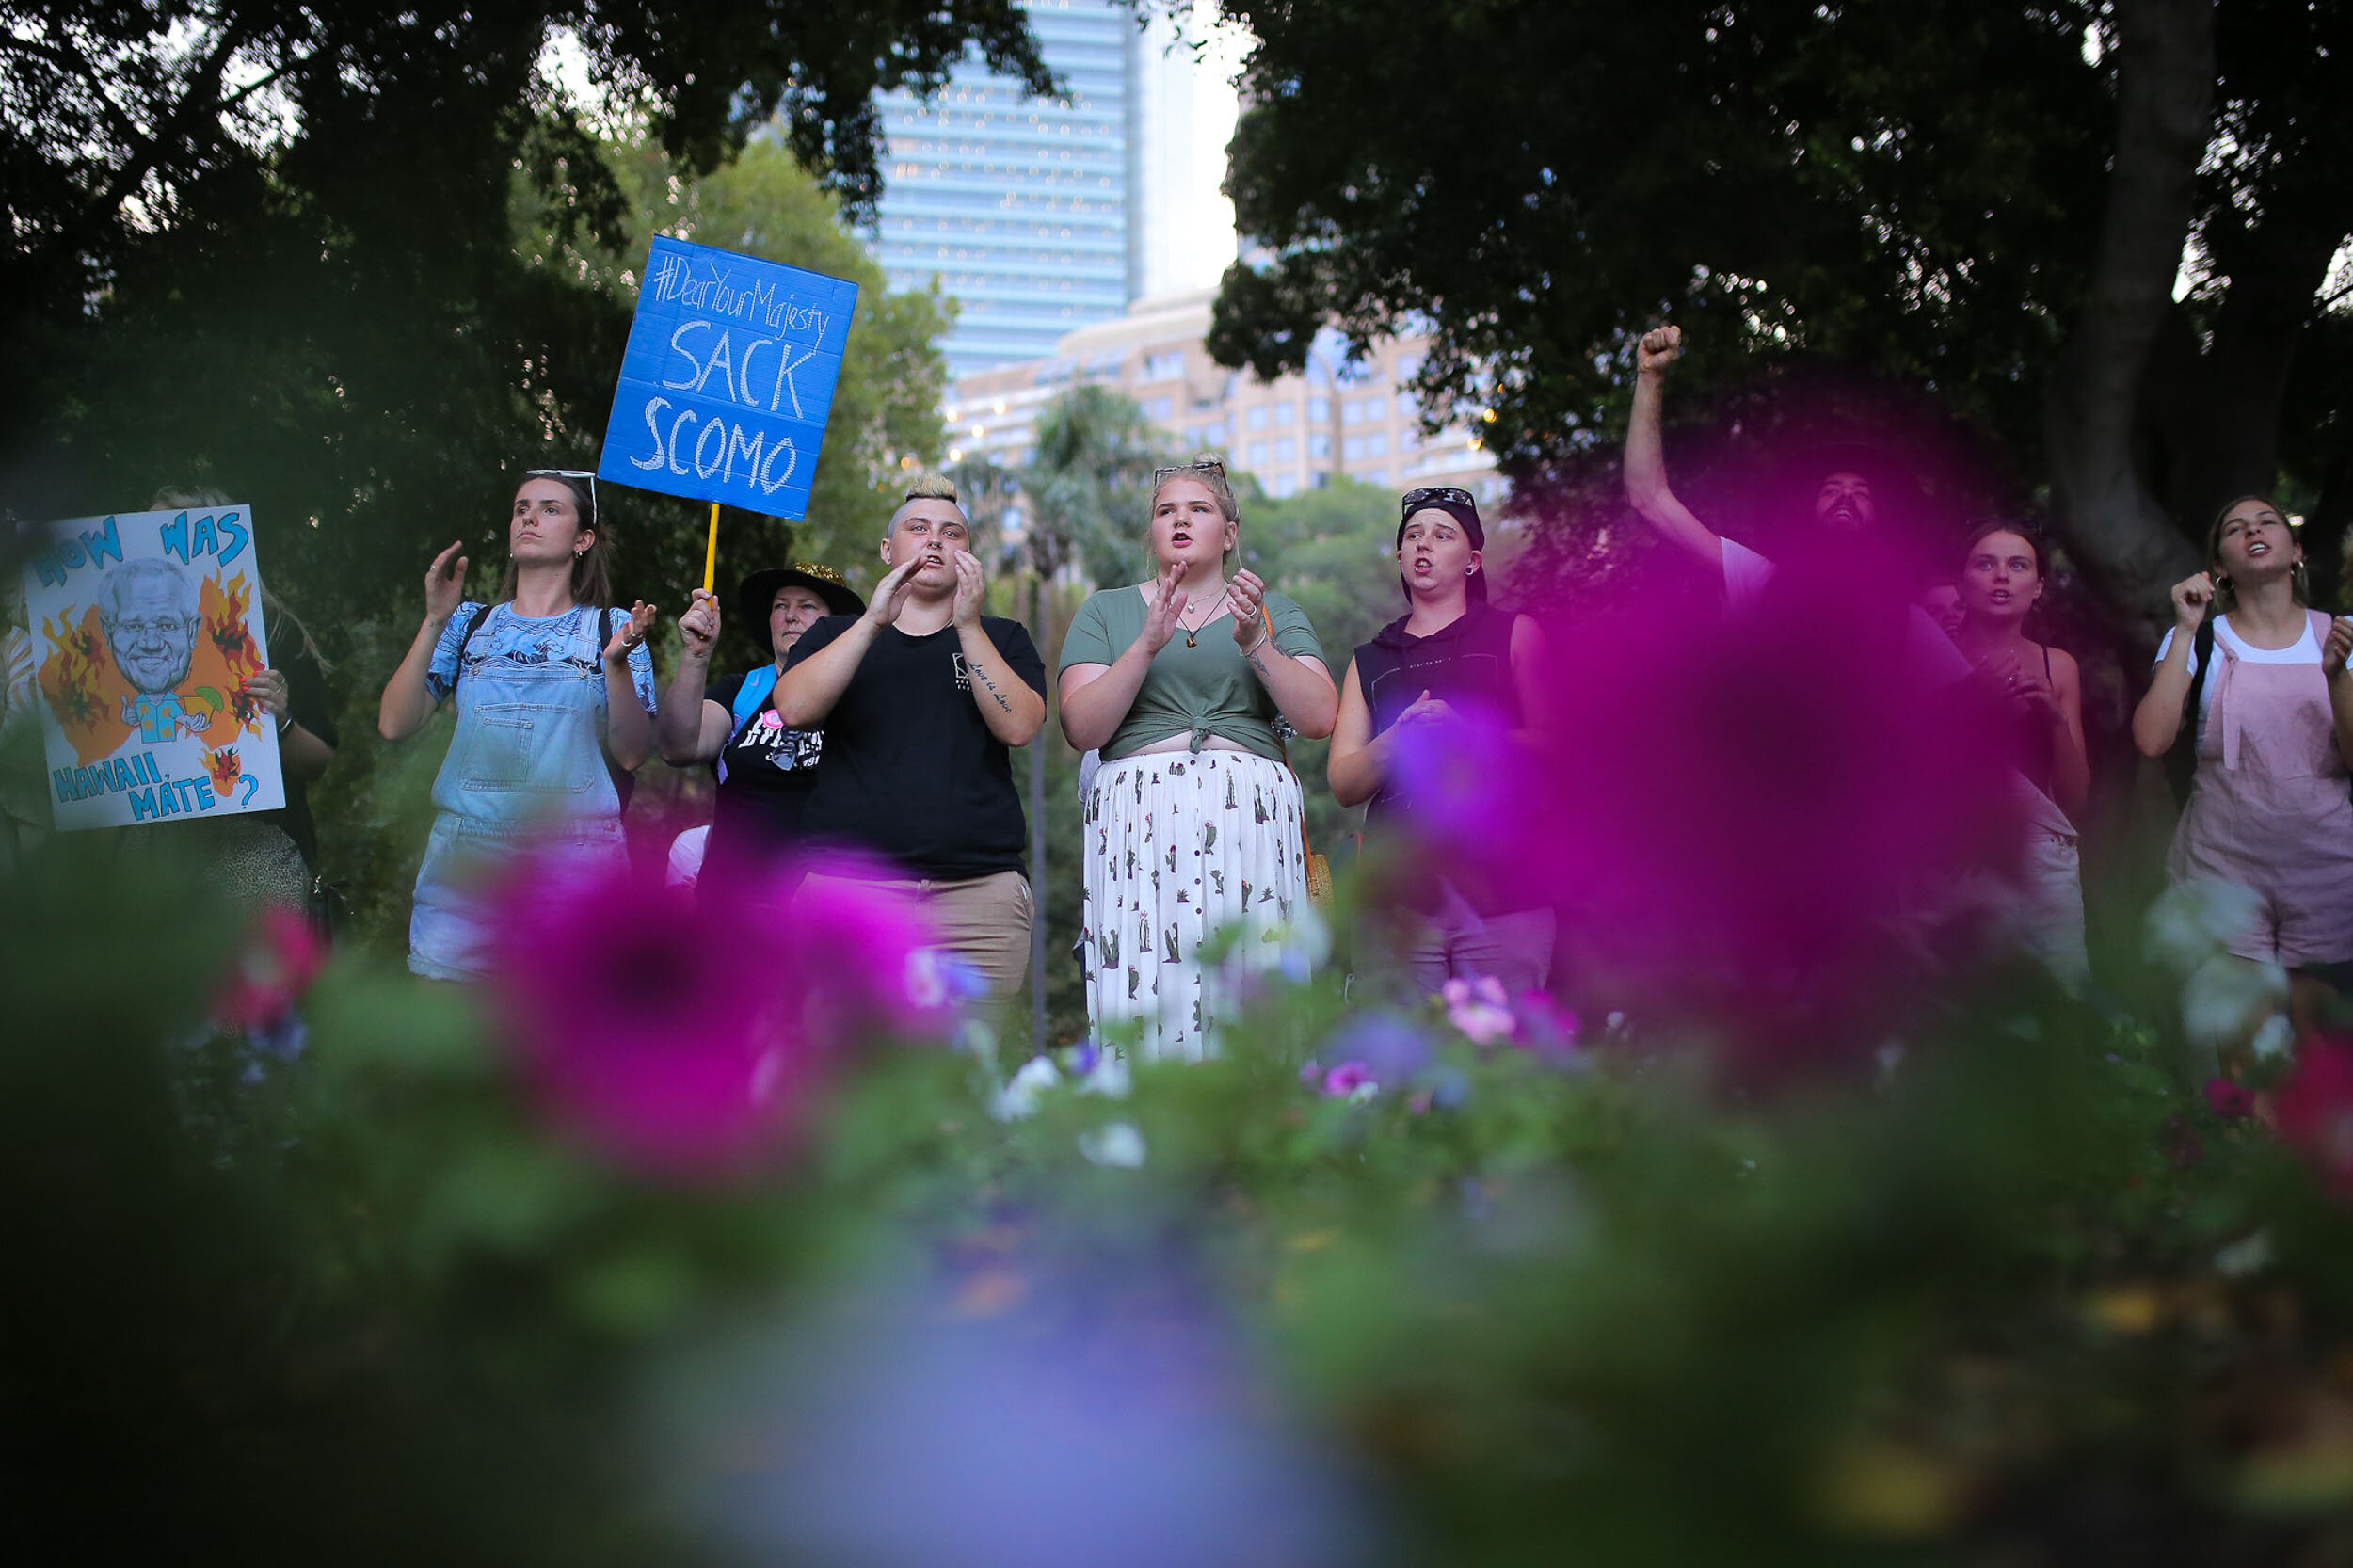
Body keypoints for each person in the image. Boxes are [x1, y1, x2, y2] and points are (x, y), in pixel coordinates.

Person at [1058, 456, 1337, 1061]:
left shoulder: (1271, 609)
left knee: (1250, 985)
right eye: (1165, 512)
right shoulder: (1107, 611)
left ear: (1230, 532)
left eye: (1199, 509)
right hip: (1140, 828)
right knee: (1149, 990)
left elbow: (1319, 718)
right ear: (1152, 532)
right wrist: (1146, 645)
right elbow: (1082, 726)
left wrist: (1256, 644)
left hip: (1248, 828)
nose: (1180, 520)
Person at [377, 469, 656, 981]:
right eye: (521, 508)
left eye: (551, 508)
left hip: (577, 867)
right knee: (453, 1052)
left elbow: (634, 753)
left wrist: (616, 665)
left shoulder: (613, 628)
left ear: (583, 539)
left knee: (562, 1054)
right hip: (465, 868)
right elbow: (395, 722)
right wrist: (434, 619)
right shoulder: (468, 623)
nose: (529, 516)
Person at [773, 475, 1046, 997]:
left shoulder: (1003, 637)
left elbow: (1019, 725)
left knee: (966, 1069)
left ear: (969, 553)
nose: (936, 541)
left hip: (977, 898)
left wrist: (968, 626)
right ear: (887, 549)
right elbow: (794, 709)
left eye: (953, 533)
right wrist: (875, 620)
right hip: (850, 893)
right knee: (841, 1071)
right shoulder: (834, 634)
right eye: (918, 529)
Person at [2132, 495, 2353, 1023]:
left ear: (2296, 550)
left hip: (2328, 870)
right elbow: (2151, 740)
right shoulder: (2199, 638)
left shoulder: (2341, 635)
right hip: (2222, 872)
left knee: (2322, 1054)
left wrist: (2338, 675)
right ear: (2219, 569)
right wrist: (2185, 628)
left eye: (2266, 522)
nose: (2252, 530)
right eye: (2235, 528)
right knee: (2241, 1058)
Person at [1326, 486, 1554, 998]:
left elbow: (1558, 745)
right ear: (1401, 557)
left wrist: (1471, 735)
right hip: (1399, 905)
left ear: (1472, 560)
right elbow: (1342, 782)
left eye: (1441, 534)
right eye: (1412, 535)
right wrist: (1398, 738)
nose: (1423, 544)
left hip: (1507, 890)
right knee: (1410, 1072)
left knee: (1506, 1065)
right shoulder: (1370, 659)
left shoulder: (1515, 633)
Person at [117, 485, 341, 915]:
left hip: (251, 854)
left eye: (158, 533)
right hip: (151, 858)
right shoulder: (116, 639)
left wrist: (280, 721)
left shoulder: (272, 633)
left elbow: (319, 761)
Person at [656, 562, 865, 891]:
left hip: (823, 909)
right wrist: (696, 656)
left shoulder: (862, 696)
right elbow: (678, 748)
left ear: (838, 623)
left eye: (806, 606)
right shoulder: (742, 691)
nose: (790, 616)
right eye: (780, 606)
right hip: (730, 901)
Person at [1949, 520, 2091, 987]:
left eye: (2018, 565)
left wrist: (2053, 718)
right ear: (1961, 581)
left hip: (2041, 865)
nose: (2002, 576)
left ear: (2039, 587)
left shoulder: (2059, 666)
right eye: (1985, 563)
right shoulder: (1932, 654)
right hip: (1952, 861)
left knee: (2058, 1008)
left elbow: (2073, 800)